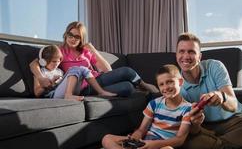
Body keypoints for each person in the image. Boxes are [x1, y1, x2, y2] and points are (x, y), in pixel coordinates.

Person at [176, 32, 242, 149]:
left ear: (199, 56)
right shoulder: (175, 84)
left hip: (232, 122)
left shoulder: (215, 66)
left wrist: (222, 97)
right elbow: (187, 126)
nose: (186, 56)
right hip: (204, 128)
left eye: (191, 52)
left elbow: (233, 105)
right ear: (176, 55)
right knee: (179, 139)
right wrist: (195, 124)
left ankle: (216, 145)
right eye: (181, 51)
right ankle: (236, 148)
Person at [101, 64, 192, 149]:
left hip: (161, 146)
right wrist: (134, 139)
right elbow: (142, 129)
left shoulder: (187, 108)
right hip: (143, 142)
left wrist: (155, 145)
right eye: (161, 84)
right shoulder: (154, 103)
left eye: (169, 82)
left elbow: (180, 140)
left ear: (180, 82)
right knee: (106, 139)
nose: (165, 87)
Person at [30, 21, 159, 97]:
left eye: (77, 37)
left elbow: (107, 69)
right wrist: (41, 78)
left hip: (98, 78)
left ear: (82, 39)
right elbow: (35, 63)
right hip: (84, 88)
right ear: (66, 35)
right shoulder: (59, 51)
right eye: (70, 35)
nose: (73, 39)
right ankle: (137, 88)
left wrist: (94, 50)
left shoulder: (86, 51)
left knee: (127, 71)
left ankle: (144, 85)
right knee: (128, 87)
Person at [34, 45, 116, 100]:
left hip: (65, 91)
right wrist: (50, 83)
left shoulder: (59, 71)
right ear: (43, 62)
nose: (57, 64)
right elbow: (37, 93)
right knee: (75, 68)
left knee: (83, 68)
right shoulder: (41, 73)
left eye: (59, 61)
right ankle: (68, 95)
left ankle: (101, 92)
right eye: (54, 62)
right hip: (52, 95)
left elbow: (64, 84)